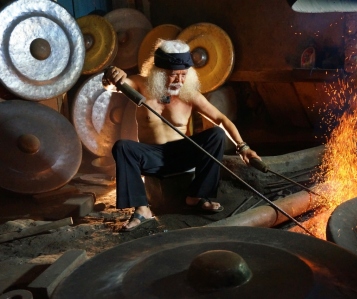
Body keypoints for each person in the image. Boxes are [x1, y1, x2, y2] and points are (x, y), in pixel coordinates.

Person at [102, 39, 260, 231]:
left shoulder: (188, 94)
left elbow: (221, 119)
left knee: (216, 134)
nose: (179, 80)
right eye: (172, 75)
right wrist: (111, 76)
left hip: (181, 154)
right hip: (152, 156)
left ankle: (198, 196)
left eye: (183, 75)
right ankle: (143, 210)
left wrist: (243, 147)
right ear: (159, 74)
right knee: (123, 147)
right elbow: (115, 85)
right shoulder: (140, 84)